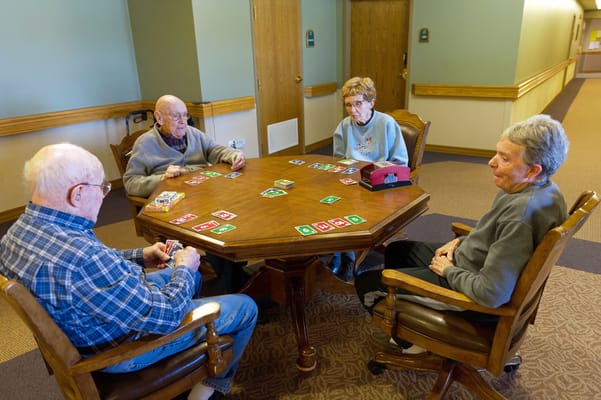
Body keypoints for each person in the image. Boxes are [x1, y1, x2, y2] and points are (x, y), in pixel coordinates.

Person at [0, 143, 257, 400]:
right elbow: (166, 316)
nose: (103, 196)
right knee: (245, 306)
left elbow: (94, 268)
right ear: (77, 194)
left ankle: (190, 353)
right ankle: (210, 390)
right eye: (102, 188)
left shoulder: (16, 234)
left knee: (194, 277)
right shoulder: (83, 258)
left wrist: (141, 255)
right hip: (122, 352)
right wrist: (184, 269)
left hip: (91, 322)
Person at [354, 114, 569, 354]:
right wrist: (461, 242)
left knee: (367, 282)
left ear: (533, 170)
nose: (491, 162)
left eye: (505, 158)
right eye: (497, 152)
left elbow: (491, 294)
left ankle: (411, 342)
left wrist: (448, 271)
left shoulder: (520, 216)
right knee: (397, 250)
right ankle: (409, 323)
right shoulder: (546, 189)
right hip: (474, 264)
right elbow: (496, 236)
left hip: (473, 295)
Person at [124, 94, 248, 294]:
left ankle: (234, 272)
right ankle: (232, 282)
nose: (183, 122)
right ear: (159, 117)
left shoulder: (194, 133)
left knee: (234, 212)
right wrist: (161, 179)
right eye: (175, 116)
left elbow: (214, 150)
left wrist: (232, 155)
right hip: (172, 207)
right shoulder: (145, 144)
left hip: (203, 196)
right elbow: (130, 183)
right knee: (211, 230)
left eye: (185, 115)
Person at [330, 76, 409, 281]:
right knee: (330, 201)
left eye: (358, 104)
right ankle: (338, 251)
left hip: (379, 182)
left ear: (371, 103)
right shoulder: (344, 126)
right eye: (348, 105)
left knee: (352, 204)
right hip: (351, 180)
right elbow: (339, 161)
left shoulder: (386, 123)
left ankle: (348, 256)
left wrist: (374, 172)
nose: (353, 110)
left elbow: (401, 162)